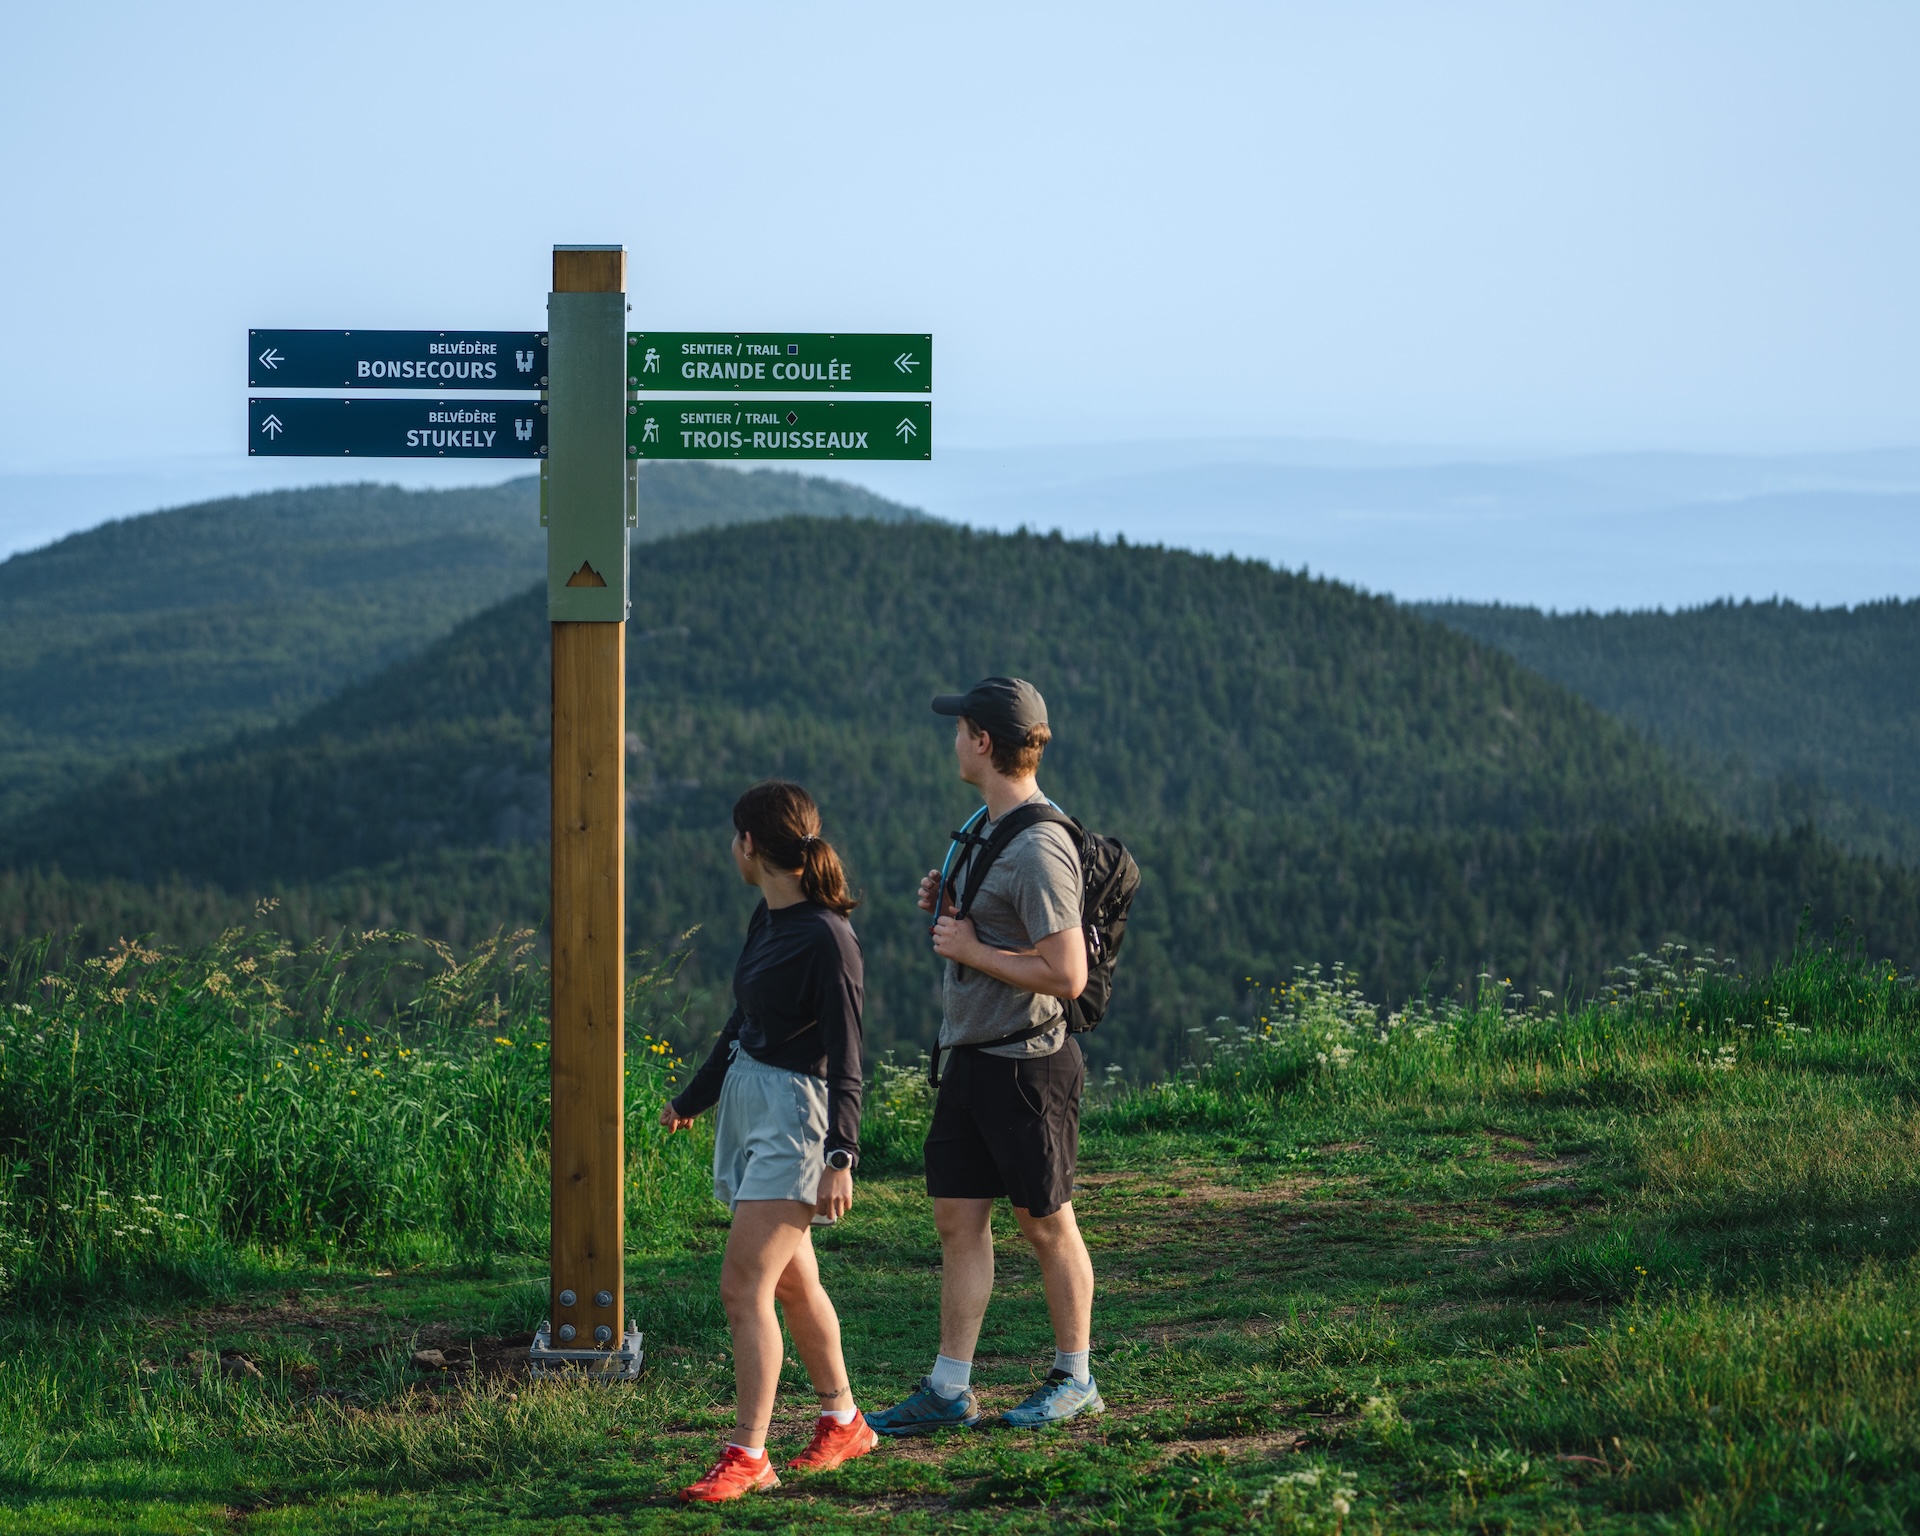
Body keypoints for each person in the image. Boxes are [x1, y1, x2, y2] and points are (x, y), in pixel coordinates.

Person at [866, 676, 1104, 1436]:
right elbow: (1000, 931)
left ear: (983, 741)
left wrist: (971, 947)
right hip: (974, 1057)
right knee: (957, 1220)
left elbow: (1067, 974)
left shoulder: (1038, 846)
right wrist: (954, 906)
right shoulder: (987, 826)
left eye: (960, 729)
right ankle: (948, 1389)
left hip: (1028, 1063)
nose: (953, 740)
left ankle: (1076, 1378)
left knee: (1046, 1223)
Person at [660, 780, 878, 1502]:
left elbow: (848, 1054)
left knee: (743, 1286)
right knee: (791, 1282)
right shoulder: (770, 918)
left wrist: (840, 1155)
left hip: (795, 1119)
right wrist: (695, 1098)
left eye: (735, 836)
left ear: (750, 845)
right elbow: (742, 1021)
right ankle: (844, 1422)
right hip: (753, 1102)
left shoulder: (827, 937)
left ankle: (749, 1454)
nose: (732, 848)